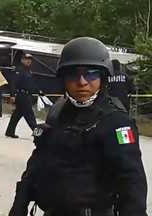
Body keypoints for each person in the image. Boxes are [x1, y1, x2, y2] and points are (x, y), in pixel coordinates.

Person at [8, 37, 148, 216]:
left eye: (90, 74)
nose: (82, 82)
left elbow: (132, 180)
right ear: (64, 79)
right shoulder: (58, 112)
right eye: (74, 74)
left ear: (103, 77)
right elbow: (38, 161)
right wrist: (20, 203)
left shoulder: (116, 121)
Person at [5, 53, 44, 138]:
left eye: (30, 59)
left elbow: (30, 83)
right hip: (22, 95)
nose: (29, 61)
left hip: (27, 94)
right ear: (22, 60)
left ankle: (10, 131)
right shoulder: (19, 70)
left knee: (17, 115)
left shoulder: (28, 70)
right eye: (27, 59)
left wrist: (38, 90)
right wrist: (12, 95)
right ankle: (37, 133)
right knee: (29, 115)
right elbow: (13, 83)